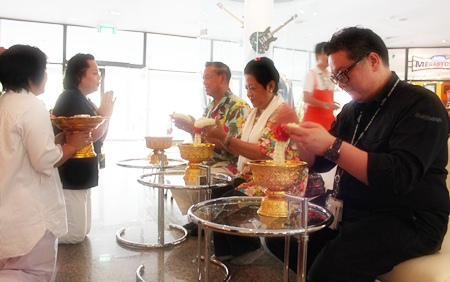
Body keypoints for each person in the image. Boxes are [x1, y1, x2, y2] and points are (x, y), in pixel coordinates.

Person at [265, 26, 450, 281]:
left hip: (407, 217)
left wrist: (332, 145)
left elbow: (399, 175)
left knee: (328, 270)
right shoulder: (353, 109)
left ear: (372, 60)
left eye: (343, 74)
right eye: (335, 77)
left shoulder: (421, 104)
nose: (340, 85)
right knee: (282, 237)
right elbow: (319, 163)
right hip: (353, 209)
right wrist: (298, 133)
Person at [0, 45, 91, 281]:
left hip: (8, 211)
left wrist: (57, 140)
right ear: (31, 76)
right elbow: (43, 160)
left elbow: (20, 149)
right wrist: (73, 145)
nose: (48, 75)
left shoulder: (5, 103)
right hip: (29, 218)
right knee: (30, 274)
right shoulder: (32, 106)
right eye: (45, 69)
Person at [205, 57, 300, 265]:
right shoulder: (253, 113)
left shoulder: (281, 113)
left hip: (276, 183)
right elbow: (239, 146)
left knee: (230, 198)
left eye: (252, 88)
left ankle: (248, 248)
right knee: (218, 191)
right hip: (254, 175)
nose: (248, 93)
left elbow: (262, 153)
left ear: (271, 86)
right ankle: (225, 252)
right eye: (246, 87)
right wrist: (220, 138)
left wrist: (225, 138)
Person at [170, 62, 250, 222]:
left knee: (197, 178)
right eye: (203, 78)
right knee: (178, 177)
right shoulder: (210, 108)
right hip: (208, 163)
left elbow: (237, 148)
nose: (204, 82)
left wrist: (217, 137)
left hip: (227, 166)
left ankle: (204, 220)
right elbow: (203, 143)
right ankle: (198, 218)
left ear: (222, 78)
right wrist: (191, 130)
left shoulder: (238, 107)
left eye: (207, 77)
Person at [52, 53, 116, 244]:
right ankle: (39, 238)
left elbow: (100, 136)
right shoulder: (71, 99)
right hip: (72, 171)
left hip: (84, 169)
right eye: (95, 72)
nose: (99, 77)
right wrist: (106, 116)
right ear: (80, 75)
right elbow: (88, 137)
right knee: (75, 235)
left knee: (84, 230)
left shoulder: (84, 100)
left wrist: (105, 116)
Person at [301, 42, 340, 130]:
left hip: (328, 121)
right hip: (313, 121)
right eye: (326, 54)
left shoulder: (331, 75)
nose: (328, 57)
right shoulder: (311, 74)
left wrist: (331, 105)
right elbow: (306, 98)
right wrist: (325, 104)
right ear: (318, 55)